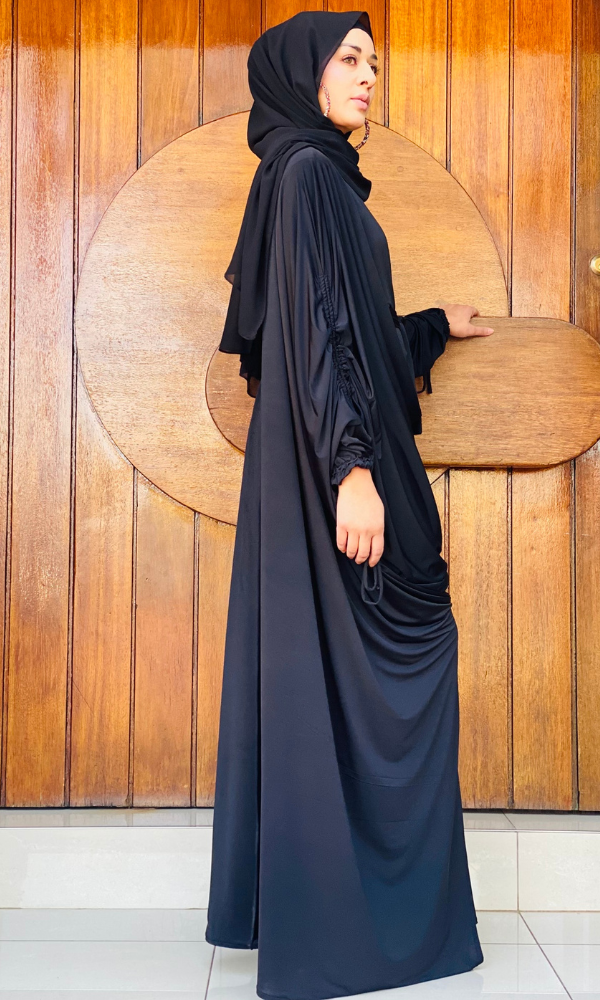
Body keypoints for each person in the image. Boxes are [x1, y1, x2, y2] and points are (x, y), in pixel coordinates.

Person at [205, 10, 492, 1000]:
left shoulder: (311, 176)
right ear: (305, 73)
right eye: (350, 58)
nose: (370, 75)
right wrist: (354, 472)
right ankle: (357, 926)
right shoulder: (307, 177)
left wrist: (432, 326)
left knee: (335, 682)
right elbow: (319, 334)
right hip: (335, 470)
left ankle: (333, 912)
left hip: (325, 460)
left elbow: (353, 328)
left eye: (376, 61)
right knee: (382, 665)